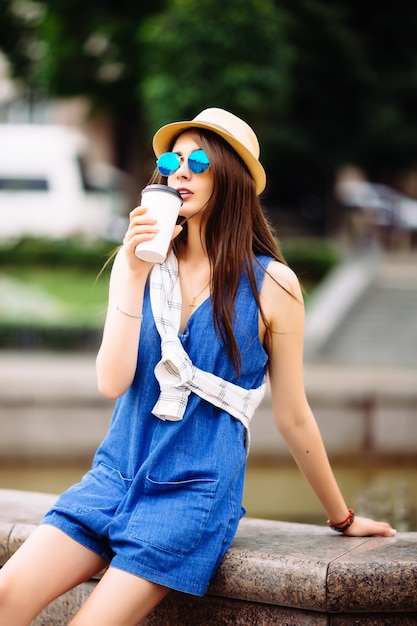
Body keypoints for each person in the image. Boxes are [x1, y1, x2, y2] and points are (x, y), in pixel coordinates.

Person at [0, 108, 396, 626]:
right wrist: (132, 273)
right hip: (114, 475)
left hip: (190, 496)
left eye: (198, 161)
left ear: (231, 177)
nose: (179, 172)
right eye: (171, 160)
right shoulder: (141, 260)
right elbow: (110, 381)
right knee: (7, 594)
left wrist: (342, 517)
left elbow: (294, 414)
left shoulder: (273, 287)